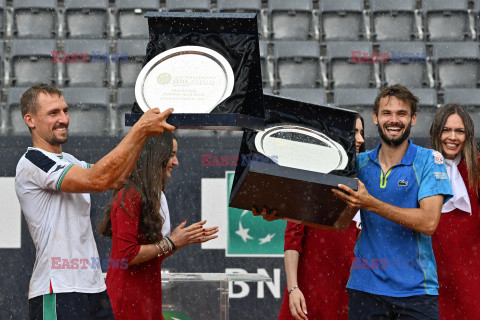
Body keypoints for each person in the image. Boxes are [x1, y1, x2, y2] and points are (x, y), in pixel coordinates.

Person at [15, 83, 175, 319]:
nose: (63, 119)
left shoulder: (68, 160)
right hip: (58, 288)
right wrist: (138, 131)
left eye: (65, 111)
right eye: (53, 113)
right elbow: (99, 179)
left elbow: (115, 177)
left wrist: (149, 140)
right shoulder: (33, 161)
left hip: (92, 286)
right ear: (30, 120)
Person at [332, 84, 453, 320]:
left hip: (417, 292)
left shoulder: (429, 160)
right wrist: (278, 212)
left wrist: (370, 203)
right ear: (375, 118)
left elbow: (429, 222)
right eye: (387, 113)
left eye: (402, 114)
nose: (394, 120)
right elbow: (336, 222)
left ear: (413, 118)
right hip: (365, 288)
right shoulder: (358, 163)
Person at [98, 133, 219, 320]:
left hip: (147, 299)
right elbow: (127, 255)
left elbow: (153, 257)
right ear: (154, 156)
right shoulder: (129, 195)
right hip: (126, 302)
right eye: (171, 154)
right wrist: (171, 242)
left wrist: (180, 241)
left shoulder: (154, 196)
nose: (176, 162)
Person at [277, 115, 365, 320]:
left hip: (345, 295)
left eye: (362, 133)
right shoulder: (311, 177)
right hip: (308, 293)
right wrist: (293, 289)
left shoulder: (364, 181)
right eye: (354, 133)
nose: (360, 139)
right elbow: (292, 239)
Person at [429, 104, 480, 319]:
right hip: (434, 275)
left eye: (459, 131)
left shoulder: (477, 168)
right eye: (446, 130)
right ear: (436, 132)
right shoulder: (422, 167)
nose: (452, 137)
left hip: (472, 274)